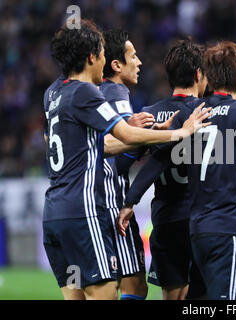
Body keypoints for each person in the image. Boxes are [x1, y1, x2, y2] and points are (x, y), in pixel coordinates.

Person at [42, 20, 211, 300]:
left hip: (53, 213)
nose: (106, 62)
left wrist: (148, 131)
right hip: (83, 211)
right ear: (92, 57)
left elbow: (71, 144)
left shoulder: (52, 93)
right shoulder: (86, 92)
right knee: (110, 292)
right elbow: (126, 136)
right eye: (104, 55)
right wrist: (181, 132)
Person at [120, 41, 236, 300]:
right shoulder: (225, 114)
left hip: (181, 223)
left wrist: (130, 200)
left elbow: (157, 159)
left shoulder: (170, 114)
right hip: (217, 221)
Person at [118, 39, 209, 300]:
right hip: (200, 218)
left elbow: (127, 163)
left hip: (166, 219)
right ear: (198, 74)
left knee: (173, 295)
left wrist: (129, 200)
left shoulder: (149, 114)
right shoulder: (204, 114)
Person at [99, 29, 152, 300]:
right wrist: (149, 141)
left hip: (86, 203)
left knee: (100, 286)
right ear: (116, 65)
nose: (139, 62)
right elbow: (119, 159)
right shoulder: (116, 91)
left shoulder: (90, 91)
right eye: (133, 56)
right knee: (134, 285)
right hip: (113, 202)